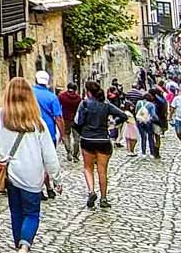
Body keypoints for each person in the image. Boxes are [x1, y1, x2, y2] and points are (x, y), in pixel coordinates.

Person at [0, 77, 62, 253]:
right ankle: (24, 248)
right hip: (32, 174)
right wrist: (56, 178)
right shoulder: (37, 123)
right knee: (32, 213)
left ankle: (19, 247)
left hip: (10, 172)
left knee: (16, 212)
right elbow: (49, 156)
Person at [73, 80, 127, 208]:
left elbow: (78, 121)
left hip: (87, 139)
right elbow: (123, 115)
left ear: (88, 92)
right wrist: (113, 123)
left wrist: (82, 131)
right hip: (103, 139)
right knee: (102, 171)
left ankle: (91, 191)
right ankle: (103, 198)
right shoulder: (106, 105)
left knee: (88, 167)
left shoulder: (84, 104)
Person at [32, 71, 63, 197]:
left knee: (35, 160)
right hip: (48, 132)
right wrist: (63, 133)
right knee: (46, 161)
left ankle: (42, 187)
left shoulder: (29, 94)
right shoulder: (52, 97)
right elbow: (58, 117)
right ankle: (47, 187)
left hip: (30, 130)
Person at [58, 82, 83, 162]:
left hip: (65, 119)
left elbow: (58, 107)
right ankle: (75, 155)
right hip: (75, 120)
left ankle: (69, 151)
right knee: (76, 138)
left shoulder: (62, 97)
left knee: (66, 136)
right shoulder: (78, 98)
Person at [134, 94, 157, 159]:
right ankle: (152, 153)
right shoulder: (151, 105)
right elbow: (153, 115)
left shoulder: (139, 102)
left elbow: (136, 111)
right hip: (148, 122)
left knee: (143, 137)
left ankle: (143, 153)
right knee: (150, 137)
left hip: (139, 121)